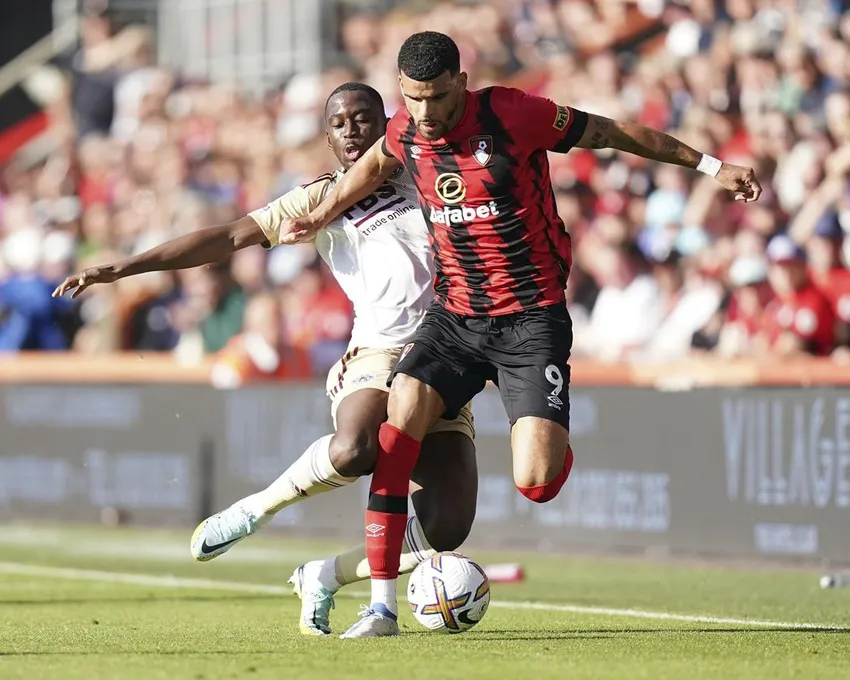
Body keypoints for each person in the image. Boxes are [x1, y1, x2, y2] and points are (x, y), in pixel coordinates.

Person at [278, 31, 763, 638]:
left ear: (459, 79)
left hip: (531, 319)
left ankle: (552, 440)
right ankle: (380, 607)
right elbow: (376, 161)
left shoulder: (515, 114)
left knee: (535, 483)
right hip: (455, 318)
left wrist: (712, 166)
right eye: (411, 99)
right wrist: (320, 214)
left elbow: (612, 132)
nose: (423, 113)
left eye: (433, 97)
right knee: (395, 430)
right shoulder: (405, 128)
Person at [52, 82, 477, 636]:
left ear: (387, 124)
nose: (353, 130)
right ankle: (258, 508)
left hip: (446, 355)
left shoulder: (430, 179)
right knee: (356, 448)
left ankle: (324, 573)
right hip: (379, 351)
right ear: (328, 136)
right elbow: (227, 237)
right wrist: (123, 268)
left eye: (364, 118)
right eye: (340, 122)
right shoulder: (318, 199)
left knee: (448, 526)